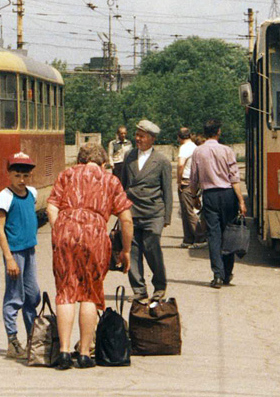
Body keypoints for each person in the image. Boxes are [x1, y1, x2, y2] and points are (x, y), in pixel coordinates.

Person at [47, 142, 133, 370]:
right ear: (103, 163)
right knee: (90, 294)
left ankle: (64, 352)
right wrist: (126, 250)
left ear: (79, 161)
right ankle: (85, 354)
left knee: (65, 292)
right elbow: (126, 219)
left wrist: (61, 231)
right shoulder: (110, 180)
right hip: (95, 235)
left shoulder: (67, 174)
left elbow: (52, 207)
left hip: (65, 231)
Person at [186, 118, 247, 288]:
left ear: (205, 133)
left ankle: (217, 275)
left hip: (210, 195)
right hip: (228, 194)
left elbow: (194, 178)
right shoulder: (227, 151)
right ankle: (227, 273)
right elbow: (234, 178)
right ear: (218, 132)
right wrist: (241, 201)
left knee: (214, 235)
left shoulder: (198, 152)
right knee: (229, 233)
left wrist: (194, 197)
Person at [0, 152, 42, 359]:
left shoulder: (32, 193)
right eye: (17, 176)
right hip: (15, 252)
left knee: (33, 295)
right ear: (9, 174)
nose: (21, 180)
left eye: (25, 176)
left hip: (30, 250)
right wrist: (9, 258)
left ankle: (33, 338)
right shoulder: (5, 196)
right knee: (14, 296)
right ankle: (12, 340)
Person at [120, 118, 172, 301]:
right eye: (137, 135)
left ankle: (159, 287)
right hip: (132, 212)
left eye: (141, 136)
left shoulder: (162, 161)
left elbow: (167, 191)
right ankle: (139, 289)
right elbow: (123, 184)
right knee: (132, 251)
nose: (138, 139)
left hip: (153, 212)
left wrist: (166, 217)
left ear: (151, 138)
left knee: (152, 248)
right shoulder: (129, 156)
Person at [176, 126, 200, 248]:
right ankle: (188, 239)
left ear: (179, 137)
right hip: (194, 181)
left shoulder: (184, 148)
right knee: (186, 211)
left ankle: (200, 237)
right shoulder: (194, 147)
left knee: (188, 211)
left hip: (186, 180)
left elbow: (180, 165)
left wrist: (179, 181)